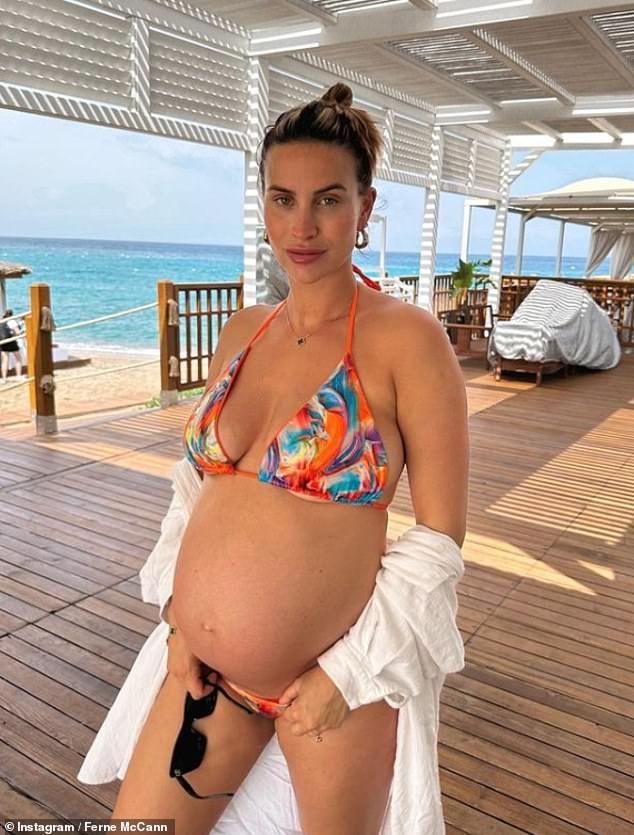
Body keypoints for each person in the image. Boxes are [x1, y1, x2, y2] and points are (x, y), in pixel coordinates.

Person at [97, 82, 469, 833]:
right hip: (205, 676)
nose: (302, 225)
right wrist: (179, 619)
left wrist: (347, 672)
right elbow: (195, 492)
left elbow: (439, 537)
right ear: (263, 205)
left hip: (335, 684)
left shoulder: (408, 340)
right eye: (283, 199)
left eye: (328, 199)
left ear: (364, 208)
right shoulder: (244, 332)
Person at [0, 309, 23, 383]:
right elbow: (17, 332)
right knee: (18, 358)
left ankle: (4, 379)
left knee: (4, 360)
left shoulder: (2, 321)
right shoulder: (12, 321)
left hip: (3, 342)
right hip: (11, 341)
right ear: (12, 315)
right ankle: (18, 376)